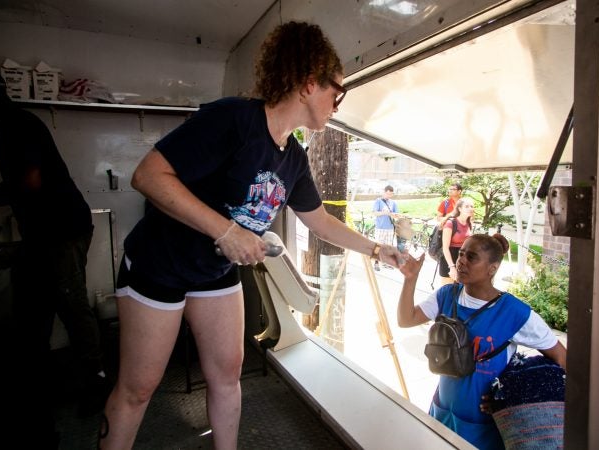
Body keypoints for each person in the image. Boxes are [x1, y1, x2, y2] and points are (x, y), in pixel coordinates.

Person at [100, 21, 404, 450]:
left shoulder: (294, 158)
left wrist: (377, 249)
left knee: (227, 375)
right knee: (138, 389)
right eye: (337, 91)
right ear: (308, 83)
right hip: (159, 263)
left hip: (215, 272)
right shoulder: (234, 119)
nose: (337, 103)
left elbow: (318, 220)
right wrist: (226, 230)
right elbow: (148, 175)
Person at [0, 65, 109, 446]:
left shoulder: (17, 124)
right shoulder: (8, 127)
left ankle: (97, 380)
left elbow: (31, 181)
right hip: (44, 233)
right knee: (36, 310)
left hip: (63, 230)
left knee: (70, 303)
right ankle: (44, 390)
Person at [397, 234, 566, 450]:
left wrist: (517, 391)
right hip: (442, 414)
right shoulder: (446, 296)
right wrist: (410, 279)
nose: (461, 260)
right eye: (462, 253)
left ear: (492, 268)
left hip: (484, 429)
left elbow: (561, 357)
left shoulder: (514, 312)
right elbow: (406, 319)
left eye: (472, 257)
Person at [439, 197, 474, 285]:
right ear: (459, 209)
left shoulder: (469, 224)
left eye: (472, 206)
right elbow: (445, 248)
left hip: (463, 261)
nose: (470, 208)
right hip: (450, 260)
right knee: (447, 292)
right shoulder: (450, 223)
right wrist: (452, 267)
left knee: (460, 293)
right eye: (466, 206)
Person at [372, 185, 399, 271]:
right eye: (387, 194)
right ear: (384, 192)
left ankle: (386, 263)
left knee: (388, 246)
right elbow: (375, 213)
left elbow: (396, 215)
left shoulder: (393, 203)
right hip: (380, 227)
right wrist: (384, 213)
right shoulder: (378, 201)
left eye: (391, 194)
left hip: (390, 228)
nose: (389, 196)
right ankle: (376, 262)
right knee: (378, 245)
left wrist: (395, 215)